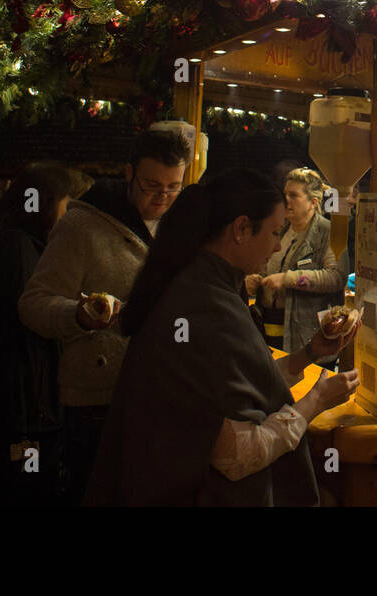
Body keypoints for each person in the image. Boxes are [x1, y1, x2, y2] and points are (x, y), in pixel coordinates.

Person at [87, 169, 359, 506]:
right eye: (274, 232)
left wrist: (309, 352)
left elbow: (245, 383)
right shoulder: (205, 306)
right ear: (241, 229)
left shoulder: (197, 283)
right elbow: (237, 455)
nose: (276, 245)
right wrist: (315, 401)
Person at [18, 128, 191, 504]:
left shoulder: (176, 226)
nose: (163, 197)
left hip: (156, 389)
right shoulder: (82, 226)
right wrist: (79, 315)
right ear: (129, 173)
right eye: (152, 185)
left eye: (173, 187)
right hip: (97, 398)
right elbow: (33, 302)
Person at [0, 162, 93, 505]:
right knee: (16, 485)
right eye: (68, 205)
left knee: (6, 483)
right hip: (20, 404)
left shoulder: (20, 242)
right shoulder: (17, 247)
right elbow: (28, 322)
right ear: (44, 204)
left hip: (18, 399)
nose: (71, 216)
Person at [247, 168, 342, 365]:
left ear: (313, 203)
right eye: (285, 195)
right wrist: (253, 278)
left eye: (294, 195)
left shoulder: (328, 232)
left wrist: (288, 279)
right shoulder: (280, 228)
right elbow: (264, 263)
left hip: (305, 337)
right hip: (267, 327)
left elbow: (336, 276)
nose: (286, 200)